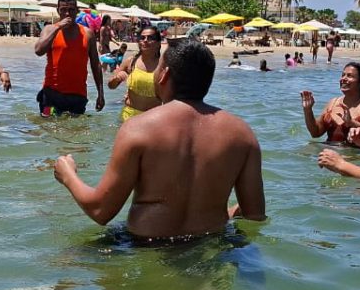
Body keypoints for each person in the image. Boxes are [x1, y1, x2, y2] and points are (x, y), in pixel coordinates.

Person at [53, 38, 266, 240]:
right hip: (208, 244)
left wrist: (68, 175)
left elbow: (100, 211)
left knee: (65, 261)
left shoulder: (138, 129)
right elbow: (254, 216)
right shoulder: (243, 134)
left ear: (164, 75)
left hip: (144, 246)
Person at [34, 0, 104, 116]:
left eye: (71, 10)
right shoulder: (49, 29)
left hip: (77, 96)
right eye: (63, 10)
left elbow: (95, 64)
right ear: (58, 11)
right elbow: (39, 50)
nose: (67, 14)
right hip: (51, 94)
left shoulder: (88, 34)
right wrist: (58, 27)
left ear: (77, 11)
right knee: (47, 129)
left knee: (75, 132)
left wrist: (101, 93)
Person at [301, 61, 360, 146]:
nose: (343, 79)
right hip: (329, 153)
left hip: (354, 157)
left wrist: (352, 123)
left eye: (349, 76)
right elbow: (315, 133)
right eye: (343, 75)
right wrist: (308, 110)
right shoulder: (333, 103)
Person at [109, 24, 163, 122]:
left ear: (158, 43)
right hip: (129, 116)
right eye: (142, 38)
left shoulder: (164, 66)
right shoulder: (130, 62)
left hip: (153, 119)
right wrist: (116, 79)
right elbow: (111, 86)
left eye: (150, 38)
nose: (145, 40)